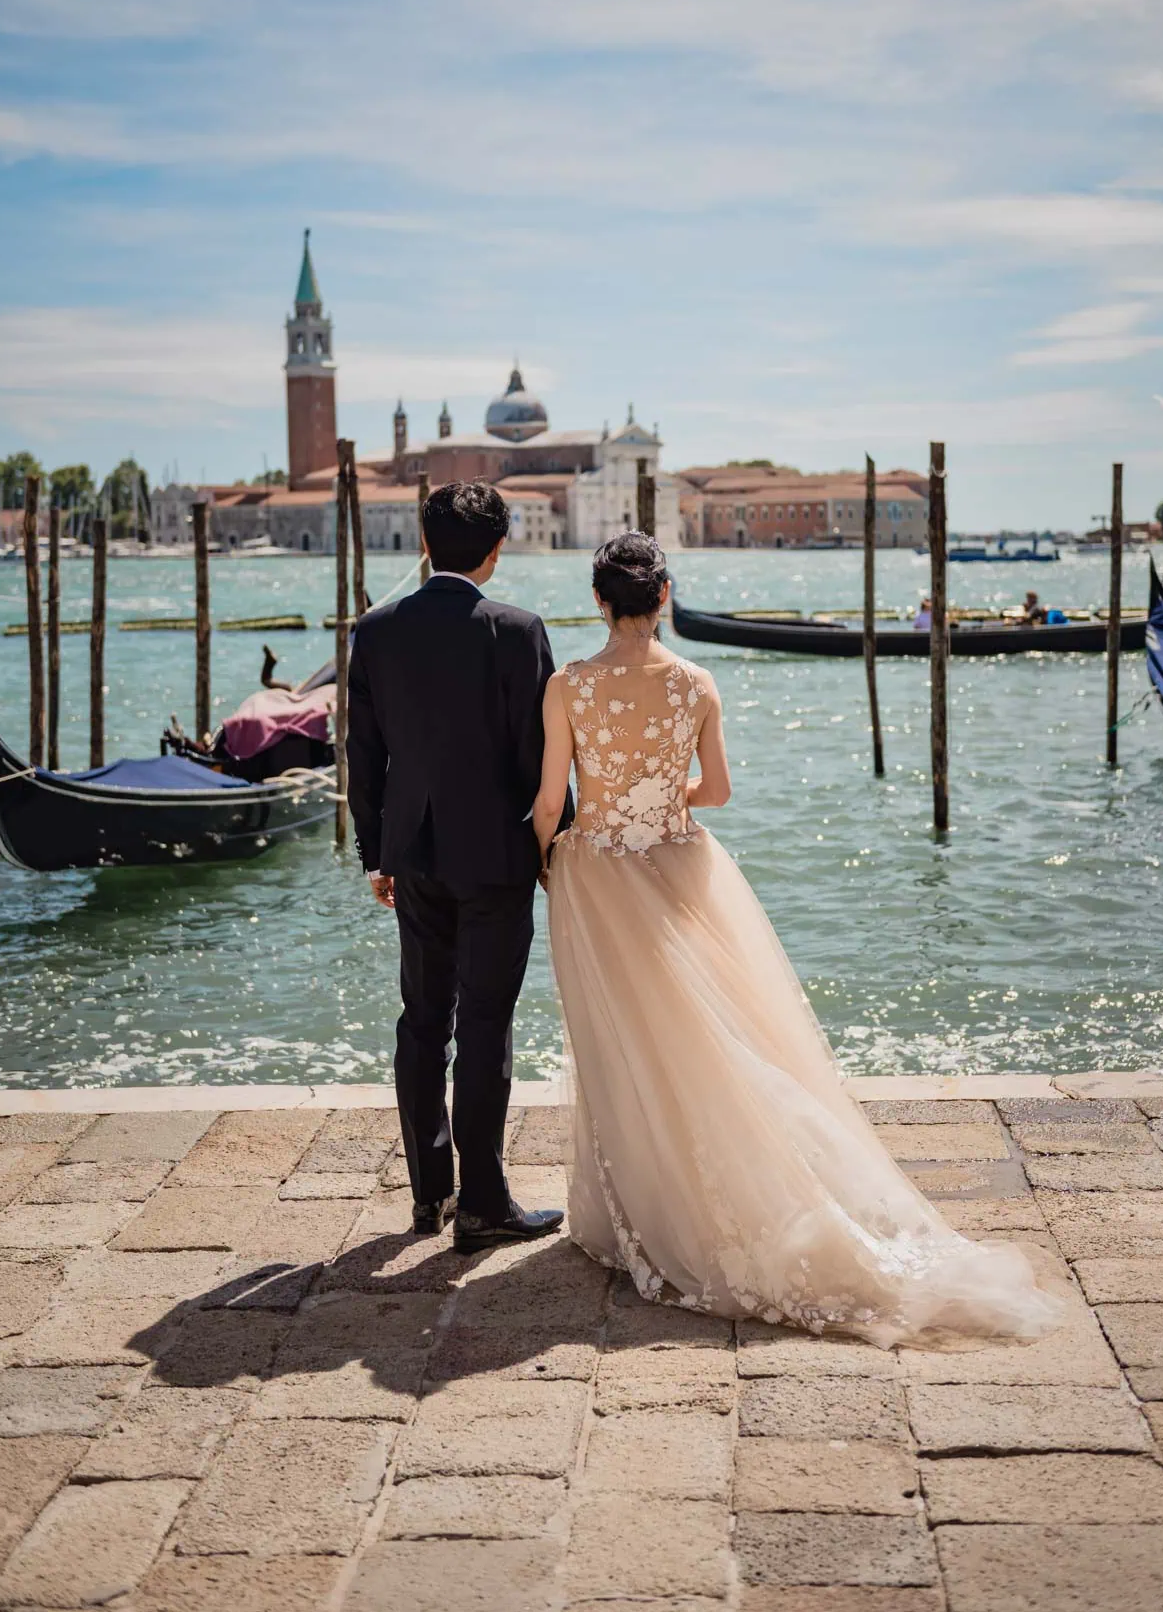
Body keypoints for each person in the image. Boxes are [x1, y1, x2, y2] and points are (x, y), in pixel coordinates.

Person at [532, 532, 1060, 1345]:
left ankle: (636, 1211)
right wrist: (658, 796)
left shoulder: (567, 686)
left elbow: (547, 801)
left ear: (599, 601)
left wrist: (548, 860)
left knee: (622, 1042)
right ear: (663, 596)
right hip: (679, 865)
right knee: (711, 1038)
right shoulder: (696, 683)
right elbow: (720, 790)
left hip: (598, 875)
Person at [346, 481, 569, 1255]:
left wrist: (377, 854)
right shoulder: (518, 631)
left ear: (424, 541)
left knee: (422, 1021)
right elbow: (538, 762)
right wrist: (553, 850)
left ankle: (429, 1193)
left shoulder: (373, 631)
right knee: (483, 1025)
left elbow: (364, 757)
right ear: (497, 549)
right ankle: (482, 1202)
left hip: (413, 855)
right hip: (497, 859)